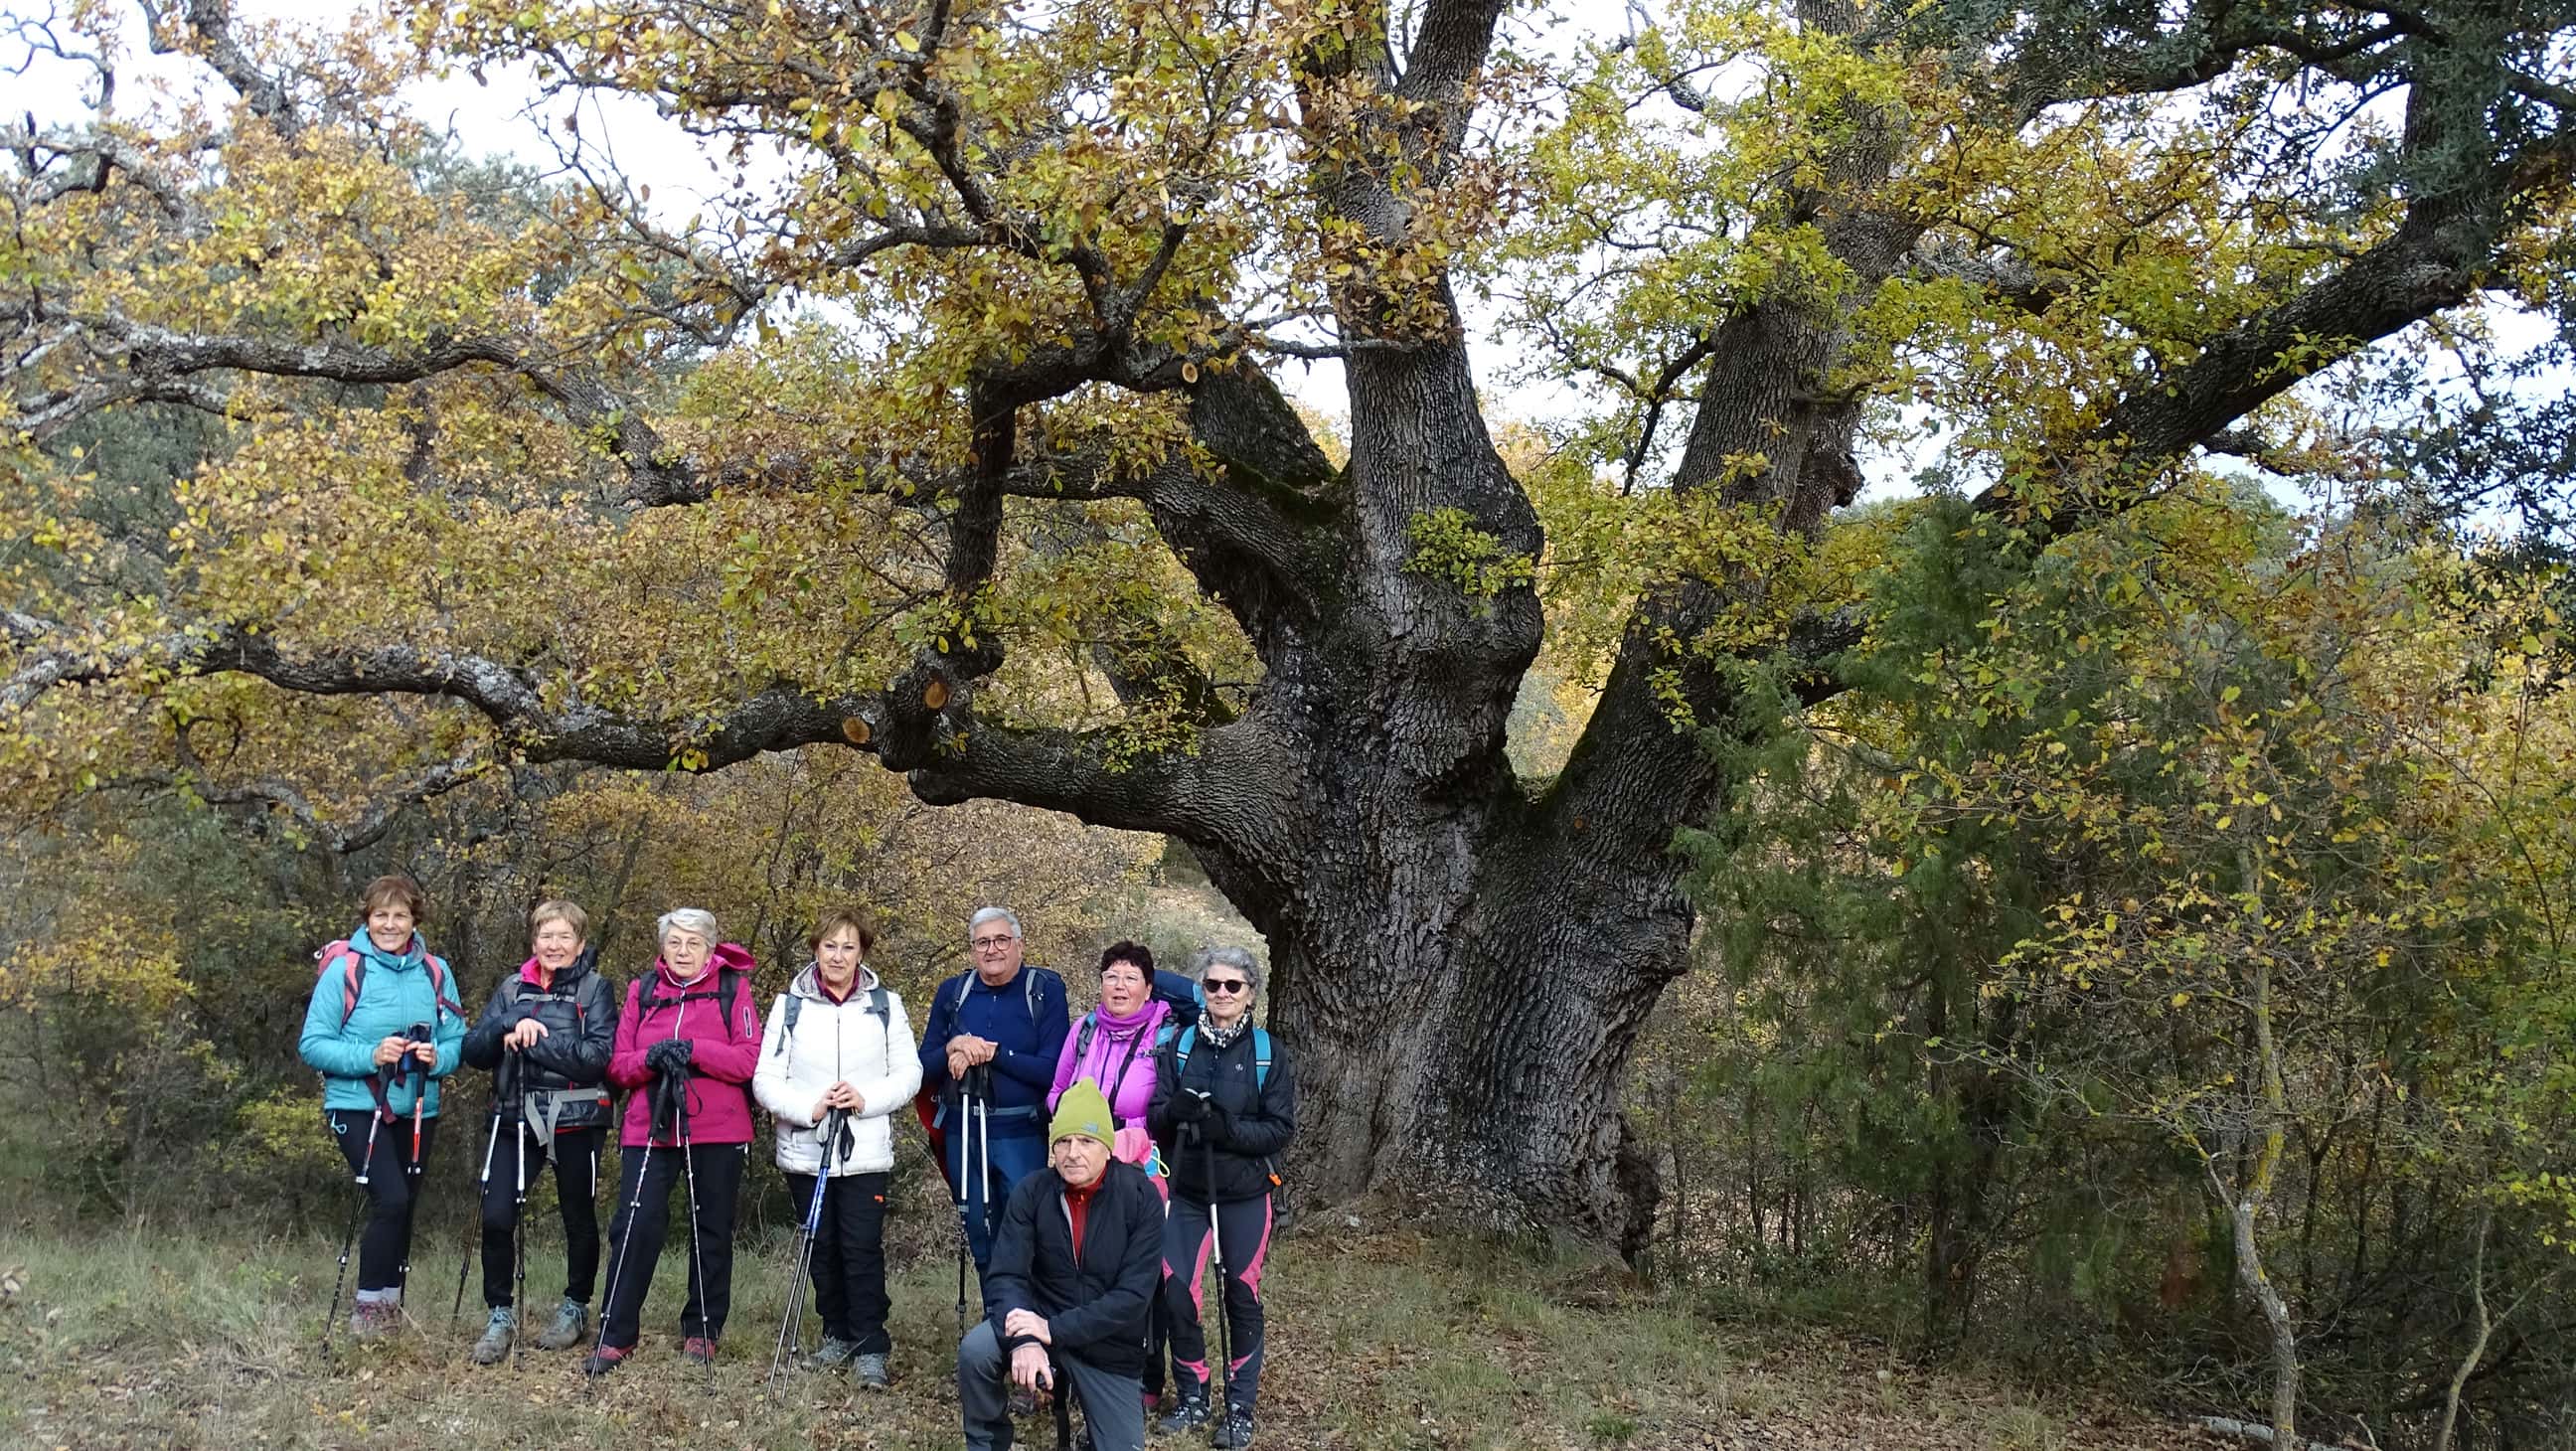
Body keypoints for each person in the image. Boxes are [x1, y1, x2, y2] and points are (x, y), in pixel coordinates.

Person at [584, 908, 761, 1374]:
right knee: (634, 1225)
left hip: (718, 1127)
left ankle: (702, 1329)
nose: (683, 952)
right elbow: (619, 1066)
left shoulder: (731, 989)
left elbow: (748, 1060)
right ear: (663, 947)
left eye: (693, 943)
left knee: (712, 1229)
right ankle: (615, 1332)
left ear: (709, 947)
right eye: (675, 943)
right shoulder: (642, 992)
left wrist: (695, 1051)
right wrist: (653, 1058)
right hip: (650, 1125)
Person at [752, 908, 922, 1388]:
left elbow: (909, 1074)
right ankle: (836, 1333)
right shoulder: (790, 1007)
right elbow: (765, 1080)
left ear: (861, 952)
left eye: (848, 947)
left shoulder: (887, 1004)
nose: (838, 956)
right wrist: (810, 1107)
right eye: (830, 946)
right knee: (821, 1246)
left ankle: (870, 1345)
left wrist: (867, 1100)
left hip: (865, 1150)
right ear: (816, 950)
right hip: (806, 1149)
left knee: (861, 1247)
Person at [298, 873, 466, 1341]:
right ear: (366, 919)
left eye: (400, 916)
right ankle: (368, 1312)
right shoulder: (345, 970)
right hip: (356, 1105)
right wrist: (370, 1055)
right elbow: (312, 1044)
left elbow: (457, 1040)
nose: (390, 925)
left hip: (417, 1105)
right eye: (381, 916)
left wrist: (437, 1059)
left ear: (415, 920)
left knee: (405, 1206)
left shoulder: (436, 970)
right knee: (389, 1199)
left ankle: (389, 1308)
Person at [1146, 946, 1297, 1450]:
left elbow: (1278, 1130)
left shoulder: (1267, 1053)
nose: (1222, 995)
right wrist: (1177, 1112)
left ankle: (1240, 1405)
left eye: (1233, 986)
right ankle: (1193, 1395)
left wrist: (1225, 1127)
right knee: (1177, 1290)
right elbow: (1154, 1116)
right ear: (1203, 990)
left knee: (1241, 1293)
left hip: (1245, 1192)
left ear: (1250, 993)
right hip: (1187, 1190)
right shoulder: (1180, 1045)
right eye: (1213, 985)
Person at [958, 1079, 1161, 1451]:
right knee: (976, 1351)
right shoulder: (1032, 1192)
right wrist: (1026, 1338)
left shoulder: (1140, 1198)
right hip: (1039, 1321)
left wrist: (1052, 1329)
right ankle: (987, 1443)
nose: (1073, 1153)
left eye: (1086, 1141)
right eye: (1063, 1142)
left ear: (1107, 1148)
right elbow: (1007, 1275)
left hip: (1108, 1342)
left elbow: (1132, 1298)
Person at [457, 898, 618, 1363]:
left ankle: (575, 1306)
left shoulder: (595, 990)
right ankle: (500, 1314)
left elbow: (596, 1058)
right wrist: (508, 1023)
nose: (554, 944)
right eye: (546, 935)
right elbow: (474, 1050)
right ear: (534, 942)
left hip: (576, 1117)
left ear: (580, 943)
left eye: (564, 936)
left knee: (578, 1216)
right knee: (497, 1215)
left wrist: (534, 1040)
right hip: (512, 1116)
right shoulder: (511, 988)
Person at [1048, 940, 1181, 1413]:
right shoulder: (1084, 1029)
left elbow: (1167, 1105)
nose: (1119, 985)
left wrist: (1127, 1135)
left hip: (1139, 1166)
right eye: (1111, 975)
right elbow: (1059, 1089)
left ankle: (1146, 1374)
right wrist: (1073, 1131)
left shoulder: (1165, 1036)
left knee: (1141, 1275)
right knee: (1079, 1265)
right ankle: (1073, 1368)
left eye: (1131, 977)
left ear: (1149, 988)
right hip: (1081, 1163)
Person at [915, 905, 1070, 1272]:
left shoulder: (1045, 991)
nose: (992, 949)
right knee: (979, 1233)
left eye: (1001, 940)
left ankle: (1027, 1322)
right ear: (972, 949)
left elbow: (1052, 1071)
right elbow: (921, 1068)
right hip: (963, 1132)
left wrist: (991, 1052)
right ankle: (994, 1320)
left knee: (1025, 1232)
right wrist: (955, 1047)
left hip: (1021, 1134)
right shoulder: (954, 993)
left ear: (1019, 944)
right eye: (982, 942)